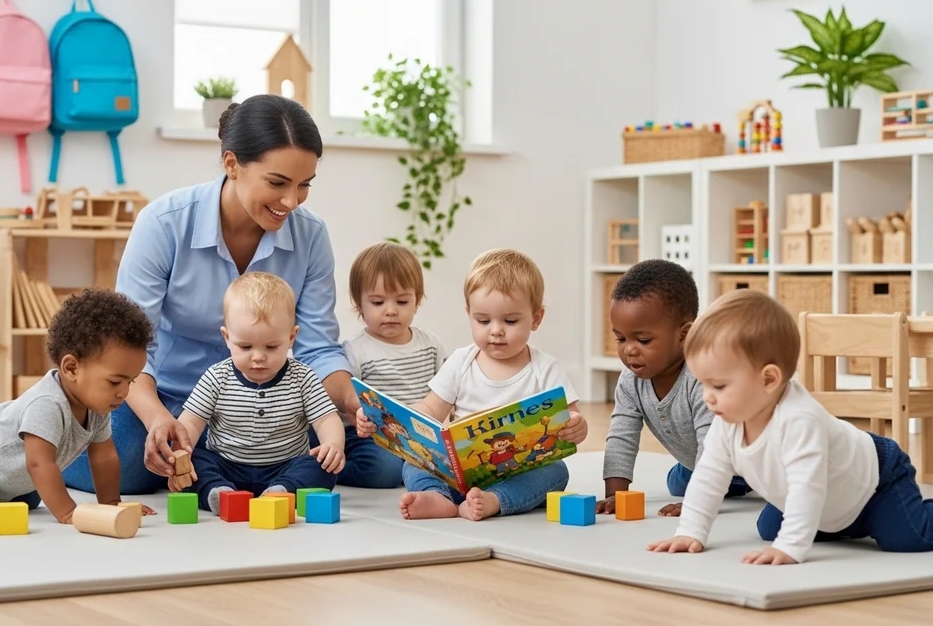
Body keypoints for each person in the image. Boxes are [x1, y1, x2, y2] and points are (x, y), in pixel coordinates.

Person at [62, 95, 361, 495]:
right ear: (232, 164)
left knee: (373, 464)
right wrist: (156, 420)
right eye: (277, 183)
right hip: (164, 397)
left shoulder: (311, 235)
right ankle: (41, 437)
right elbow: (128, 349)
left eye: (304, 185)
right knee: (131, 467)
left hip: (263, 405)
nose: (291, 201)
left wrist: (353, 401)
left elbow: (318, 347)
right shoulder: (163, 224)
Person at [648, 290, 933, 564]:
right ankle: (845, 525)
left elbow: (806, 486)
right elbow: (708, 477)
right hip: (830, 501)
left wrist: (790, 547)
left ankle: (870, 520)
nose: (707, 396)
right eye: (703, 383)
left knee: (907, 538)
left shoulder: (799, 419)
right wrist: (690, 532)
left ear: (769, 379)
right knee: (770, 528)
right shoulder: (728, 421)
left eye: (719, 385)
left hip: (876, 483)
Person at [358, 248, 588, 521]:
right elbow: (430, 408)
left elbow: (571, 417)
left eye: (510, 321)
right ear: (469, 314)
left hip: (518, 472)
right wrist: (386, 418)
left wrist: (577, 426)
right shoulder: (461, 361)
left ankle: (495, 501)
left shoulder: (544, 368)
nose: (496, 330)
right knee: (414, 462)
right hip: (459, 474)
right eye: (483, 320)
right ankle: (437, 497)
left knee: (557, 472)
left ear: (536, 319)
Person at [0, 290, 156, 523]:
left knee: (29, 498)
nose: (123, 392)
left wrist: (111, 503)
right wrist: (68, 512)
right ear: (71, 368)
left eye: (130, 381)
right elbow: (39, 463)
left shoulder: (98, 405)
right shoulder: (48, 404)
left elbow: (104, 455)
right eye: (115, 381)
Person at [168, 272, 345, 513]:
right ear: (227, 338)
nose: (258, 357)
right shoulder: (216, 377)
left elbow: (326, 418)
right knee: (196, 461)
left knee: (322, 467)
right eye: (245, 346)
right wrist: (181, 452)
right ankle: (218, 492)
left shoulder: (303, 377)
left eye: (272, 347)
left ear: (291, 338)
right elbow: (190, 421)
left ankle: (281, 492)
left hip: (284, 466)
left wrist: (333, 444)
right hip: (226, 465)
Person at [599, 259, 749, 518]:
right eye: (620, 338)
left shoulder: (703, 377)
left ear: (684, 335)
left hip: (748, 461)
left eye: (643, 340)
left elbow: (713, 444)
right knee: (676, 483)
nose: (629, 349)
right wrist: (615, 495)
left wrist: (698, 502)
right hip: (699, 461)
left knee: (772, 486)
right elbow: (622, 435)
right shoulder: (629, 381)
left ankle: (728, 483)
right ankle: (718, 483)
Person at [336, 241, 448, 488]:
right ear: (359, 304)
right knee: (384, 470)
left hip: (419, 435)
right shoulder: (355, 349)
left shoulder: (430, 344)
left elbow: (447, 393)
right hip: (373, 436)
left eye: (402, 302)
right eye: (377, 303)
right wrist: (360, 417)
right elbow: (348, 405)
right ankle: (329, 467)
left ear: (417, 301)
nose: (391, 311)